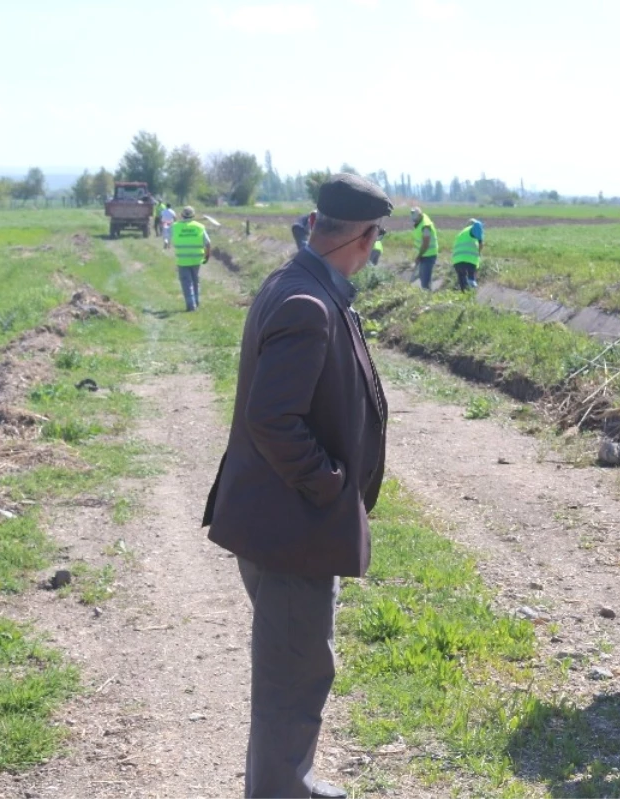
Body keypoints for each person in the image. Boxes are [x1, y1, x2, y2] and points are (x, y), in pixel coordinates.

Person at [201, 173, 391, 799]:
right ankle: (280, 790)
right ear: (361, 238)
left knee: (299, 670)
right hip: (289, 532)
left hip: (283, 528)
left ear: (316, 226)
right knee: (292, 681)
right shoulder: (307, 303)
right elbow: (272, 418)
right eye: (375, 241)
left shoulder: (300, 283)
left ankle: (289, 781)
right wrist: (329, 484)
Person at [171, 207, 211, 312]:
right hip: (196, 259)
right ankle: (196, 302)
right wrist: (207, 256)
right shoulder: (200, 227)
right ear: (193, 215)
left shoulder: (175, 226)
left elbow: (171, 239)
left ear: (181, 215)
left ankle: (191, 305)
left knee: (186, 283)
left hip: (183, 260)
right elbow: (208, 243)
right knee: (195, 281)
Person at [451, 218, 484, 290]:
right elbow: (478, 226)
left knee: (463, 283)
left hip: (457, 261)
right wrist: (479, 251)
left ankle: (464, 297)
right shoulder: (472, 229)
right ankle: (471, 294)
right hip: (469, 260)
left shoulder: (460, 233)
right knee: (470, 281)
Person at [410, 206, 439, 290]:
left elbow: (426, 243)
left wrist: (419, 256)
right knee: (423, 277)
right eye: (412, 215)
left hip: (429, 254)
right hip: (424, 254)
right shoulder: (420, 222)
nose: (413, 218)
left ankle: (427, 298)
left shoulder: (426, 226)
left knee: (425, 280)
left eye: (414, 215)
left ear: (419, 215)